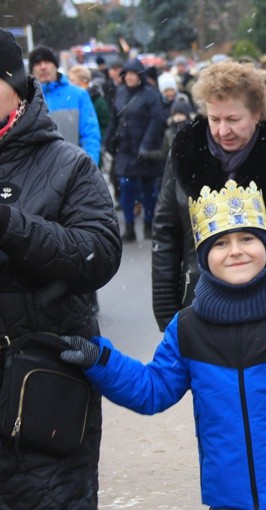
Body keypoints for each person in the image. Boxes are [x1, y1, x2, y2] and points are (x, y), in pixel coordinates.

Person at [59, 180, 266, 509]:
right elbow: (153, 390)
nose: (235, 250)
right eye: (220, 243)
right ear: (205, 256)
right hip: (228, 498)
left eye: (247, 238)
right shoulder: (188, 327)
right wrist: (101, 361)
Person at [0, 29, 121, 508]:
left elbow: (98, 254)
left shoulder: (67, 164)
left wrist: (10, 224)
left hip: (41, 391)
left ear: (15, 84)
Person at [152, 60, 266, 333]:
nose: (222, 131)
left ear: (257, 113)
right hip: (197, 301)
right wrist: (165, 308)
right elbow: (166, 231)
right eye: (214, 119)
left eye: (233, 119)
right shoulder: (185, 151)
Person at [103, 58, 166, 242]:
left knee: (148, 188)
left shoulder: (151, 95)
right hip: (125, 148)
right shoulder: (120, 93)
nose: (130, 78)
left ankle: (148, 223)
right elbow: (115, 119)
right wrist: (108, 140)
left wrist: (146, 145)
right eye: (127, 74)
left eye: (133, 74)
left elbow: (156, 121)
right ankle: (129, 226)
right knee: (125, 185)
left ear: (140, 76)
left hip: (144, 149)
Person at [28, 46, 102, 165]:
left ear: (55, 65)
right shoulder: (25, 100)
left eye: (47, 61)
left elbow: (90, 135)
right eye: (37, 63)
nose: (43, 67)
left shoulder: (78, 95)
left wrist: (90, 169)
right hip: (38, 176)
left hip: (74, 172)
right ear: (32, 70)